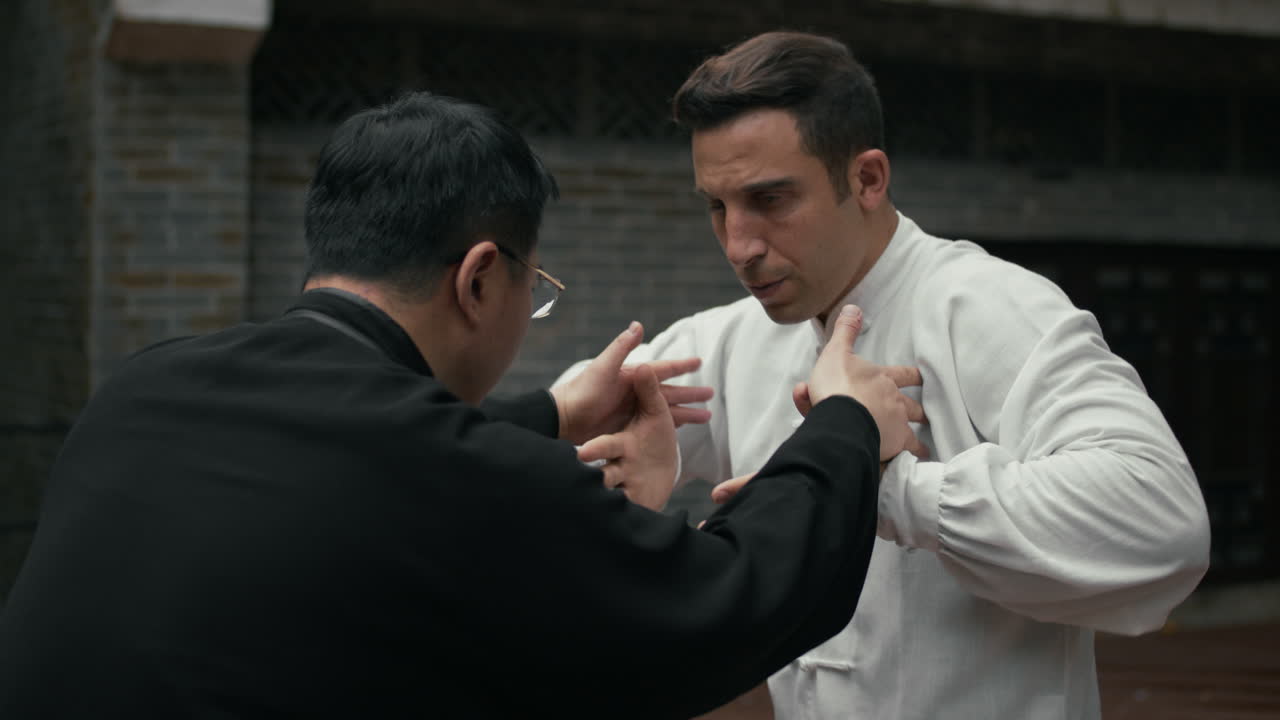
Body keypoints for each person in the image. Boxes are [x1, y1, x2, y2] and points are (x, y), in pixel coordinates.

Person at [0, 92, 926, 719]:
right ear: (482, 278)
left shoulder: (149, 384)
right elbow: (728, 601)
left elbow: (370, 459)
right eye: (537, 289)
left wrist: (555, 414)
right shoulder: (452, 480)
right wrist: (845, 424)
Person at [558, 31, 1212, 719]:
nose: (739, 246)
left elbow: (1161, 520)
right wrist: (594, 469)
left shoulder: (994, 311)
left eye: (770, 200)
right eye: (717, 207)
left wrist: (881, 491)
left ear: (868, 179)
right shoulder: (727, 340)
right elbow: (543, 464)